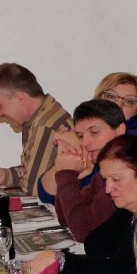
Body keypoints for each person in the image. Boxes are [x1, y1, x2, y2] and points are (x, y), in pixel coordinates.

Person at [30, 135, 137, 274]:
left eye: (116, 180)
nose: (108, 189)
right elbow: (93, 242)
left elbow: (118, 268)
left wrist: (62, 261)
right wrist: (73, 180)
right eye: (105, 180)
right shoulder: (130, 207)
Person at [0, 62, 70, 210]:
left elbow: (34, 187)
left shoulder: (45, 125)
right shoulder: (40, 117)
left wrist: (13, 177)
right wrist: (4, 175)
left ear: (20, 98)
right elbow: (31, 172)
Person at [41, 100, 124, 246]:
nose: (85, 142)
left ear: (120, 131)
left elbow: (83, 232)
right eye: (80, 136)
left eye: (94, 132)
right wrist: (73, 177)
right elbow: (66, 219)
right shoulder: (101, 174)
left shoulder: (124, 172)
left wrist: (66, 174)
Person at [93, 70, 137, 148]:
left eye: (129, 101)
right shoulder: (82, 132)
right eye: (111, 97)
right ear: (98, 99)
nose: (118, 105)